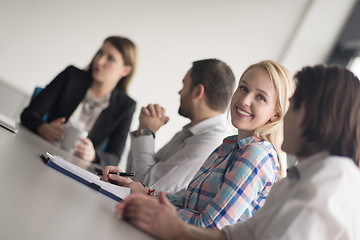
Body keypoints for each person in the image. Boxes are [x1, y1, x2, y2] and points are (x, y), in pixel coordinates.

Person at [115, 64, 360, 240]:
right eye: (243, 88)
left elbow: (212, 227)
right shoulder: (292, 177)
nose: (285, 118)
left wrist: (159, 212)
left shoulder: (323, 183)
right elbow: (233, 234)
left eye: (292, 107)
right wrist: (145, 194)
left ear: (307, 115)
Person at [103, 60, 295, 229]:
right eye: (243, 88)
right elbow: (186, 200)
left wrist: (148, 202)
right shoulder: (228, 147)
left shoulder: (256, 154)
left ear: (276, 114)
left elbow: (209, 227)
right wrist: (140, 190)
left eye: (260, 97)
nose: (244, 100)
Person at [21, 36, 137, 166]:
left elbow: (114, 157)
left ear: (125, 70)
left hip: (76, 167)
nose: (99, 61)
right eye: (100, 53)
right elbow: (28, 114)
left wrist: (93, 156)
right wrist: (43, 128)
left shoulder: (126, 106)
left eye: (110, 58)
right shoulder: (71, 76)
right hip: (40, 152)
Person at [124, 58, 236, 193]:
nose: (180, 92)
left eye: (184, 85)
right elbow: (131, 176)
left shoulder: (210, 142)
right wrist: (142, 131)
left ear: (198, 92)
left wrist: (146, 132)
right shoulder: (191, 132)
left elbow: (145, 187)